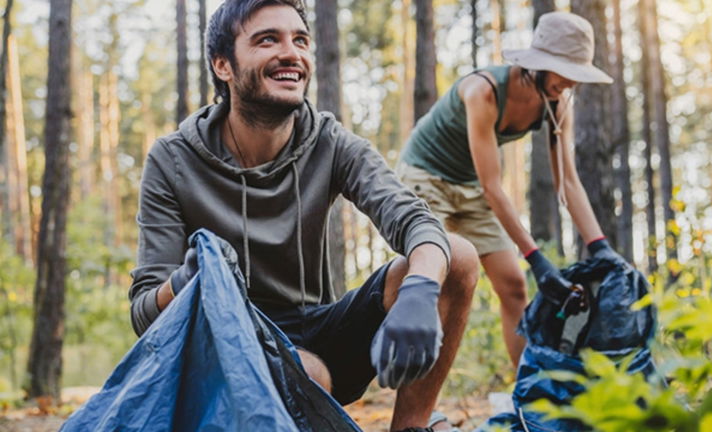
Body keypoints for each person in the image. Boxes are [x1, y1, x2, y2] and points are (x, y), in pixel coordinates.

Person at [128, 1, 479, 430]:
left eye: (300, 40)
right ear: (223, 65)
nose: (292, 53)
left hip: (321, 329)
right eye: (267, 39)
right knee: (309, 375)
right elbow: (144, 314)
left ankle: (411, 426)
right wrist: (183, 284)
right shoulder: (173, 159)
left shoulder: (329, 141)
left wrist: (421, 290)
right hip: (230, 346)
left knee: (455, 256)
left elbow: (413, 220)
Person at [397, 11, 624, 366]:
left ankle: (525, 393)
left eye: (577, 75)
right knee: (435, 279)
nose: (570, 83)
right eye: (565, 71)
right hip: (425, 178)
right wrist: (537, 259)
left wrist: (600, 247)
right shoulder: (483, 92)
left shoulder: (557, 103)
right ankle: (413, 392)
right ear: (539, 63)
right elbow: (493, 186)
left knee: (514, 286)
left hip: (470, 186)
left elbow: (569, 181)